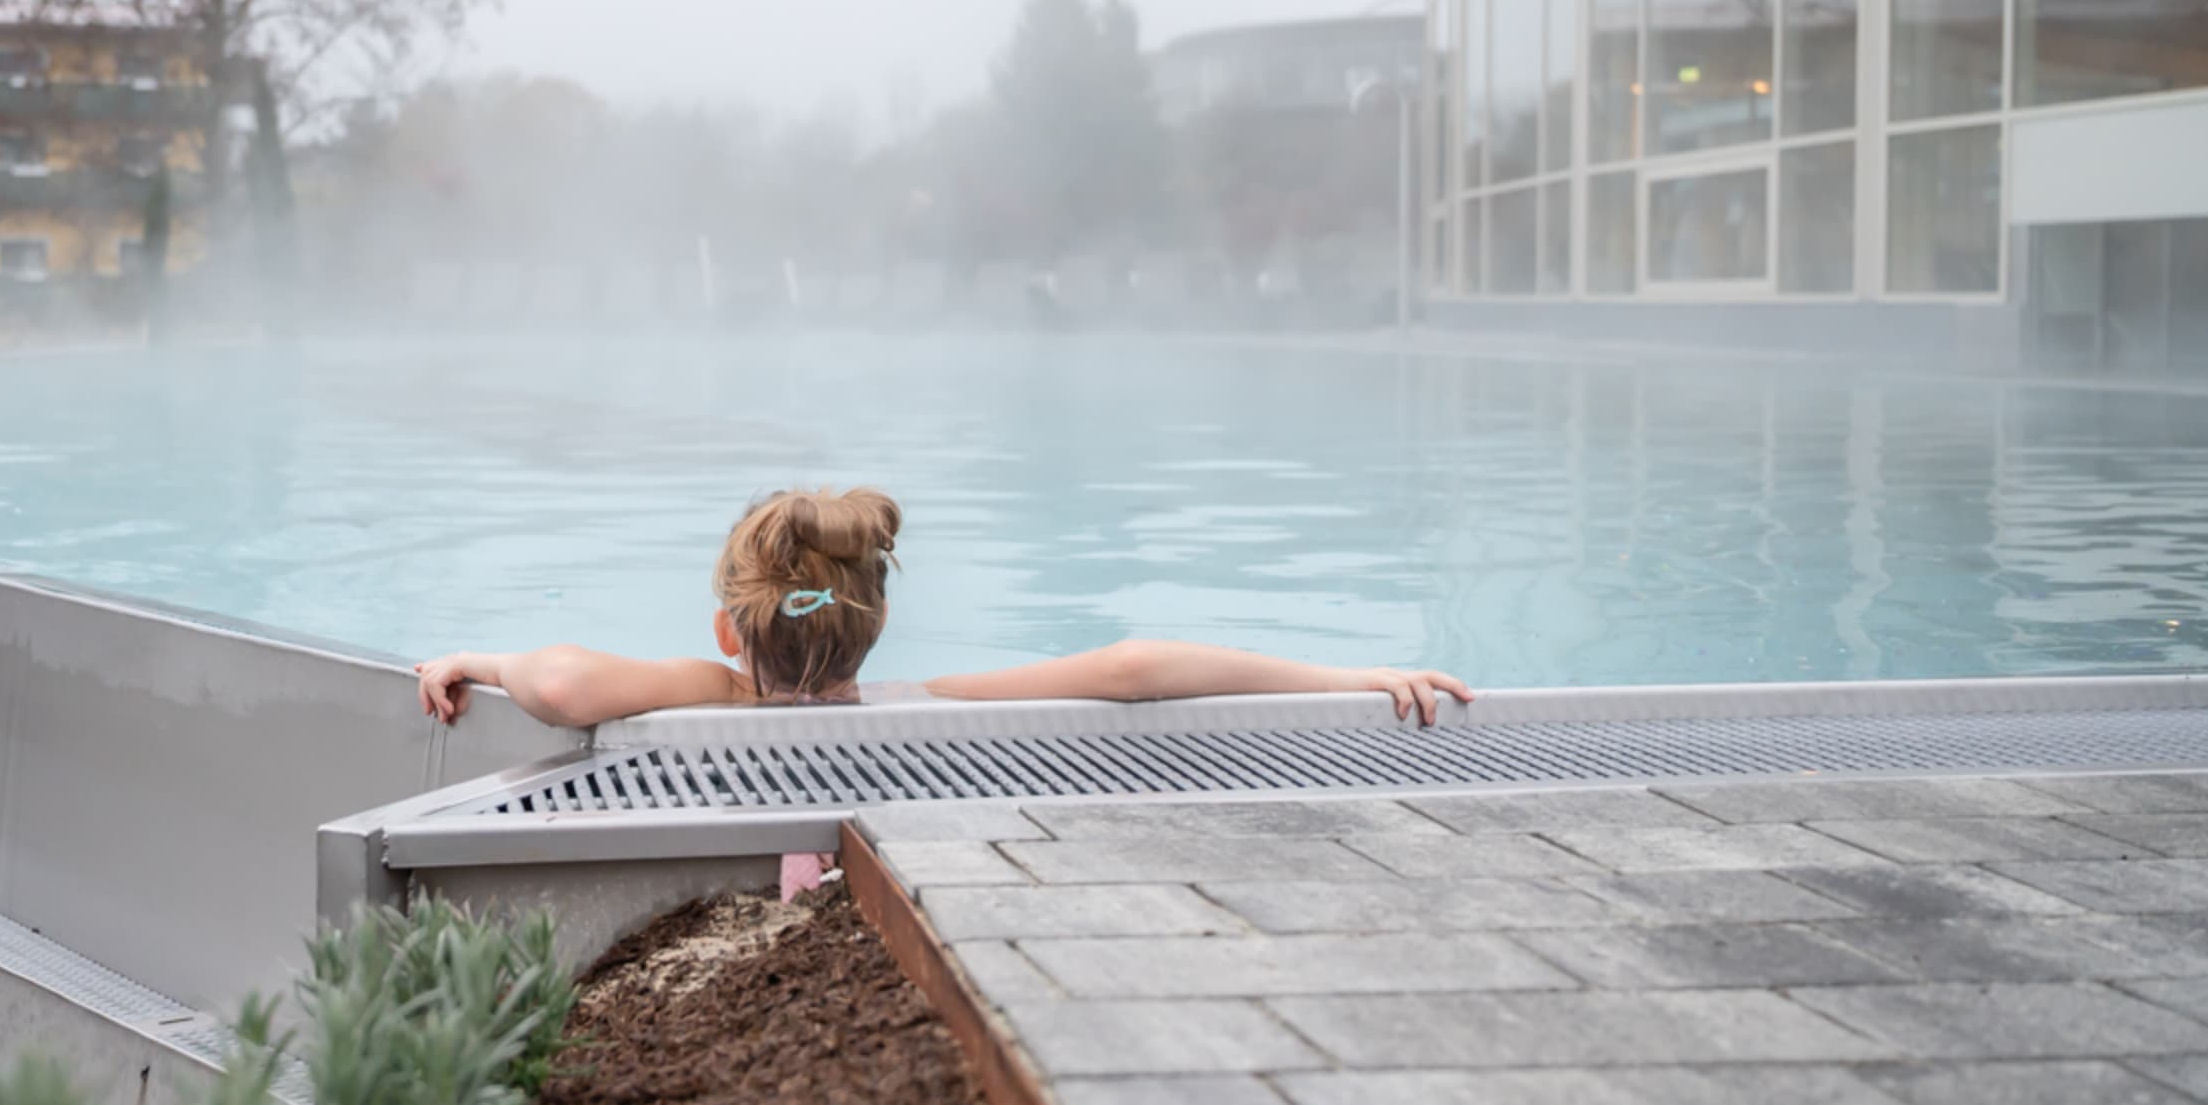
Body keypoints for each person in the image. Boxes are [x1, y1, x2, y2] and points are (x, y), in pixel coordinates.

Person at [414, 484, 1473, 731]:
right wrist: (1351, 676)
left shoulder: (713, 695)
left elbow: (558, 680)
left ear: (731, 627)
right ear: (874, 620)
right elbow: (1134, 665)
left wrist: (477, 656)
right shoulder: (937, 698)